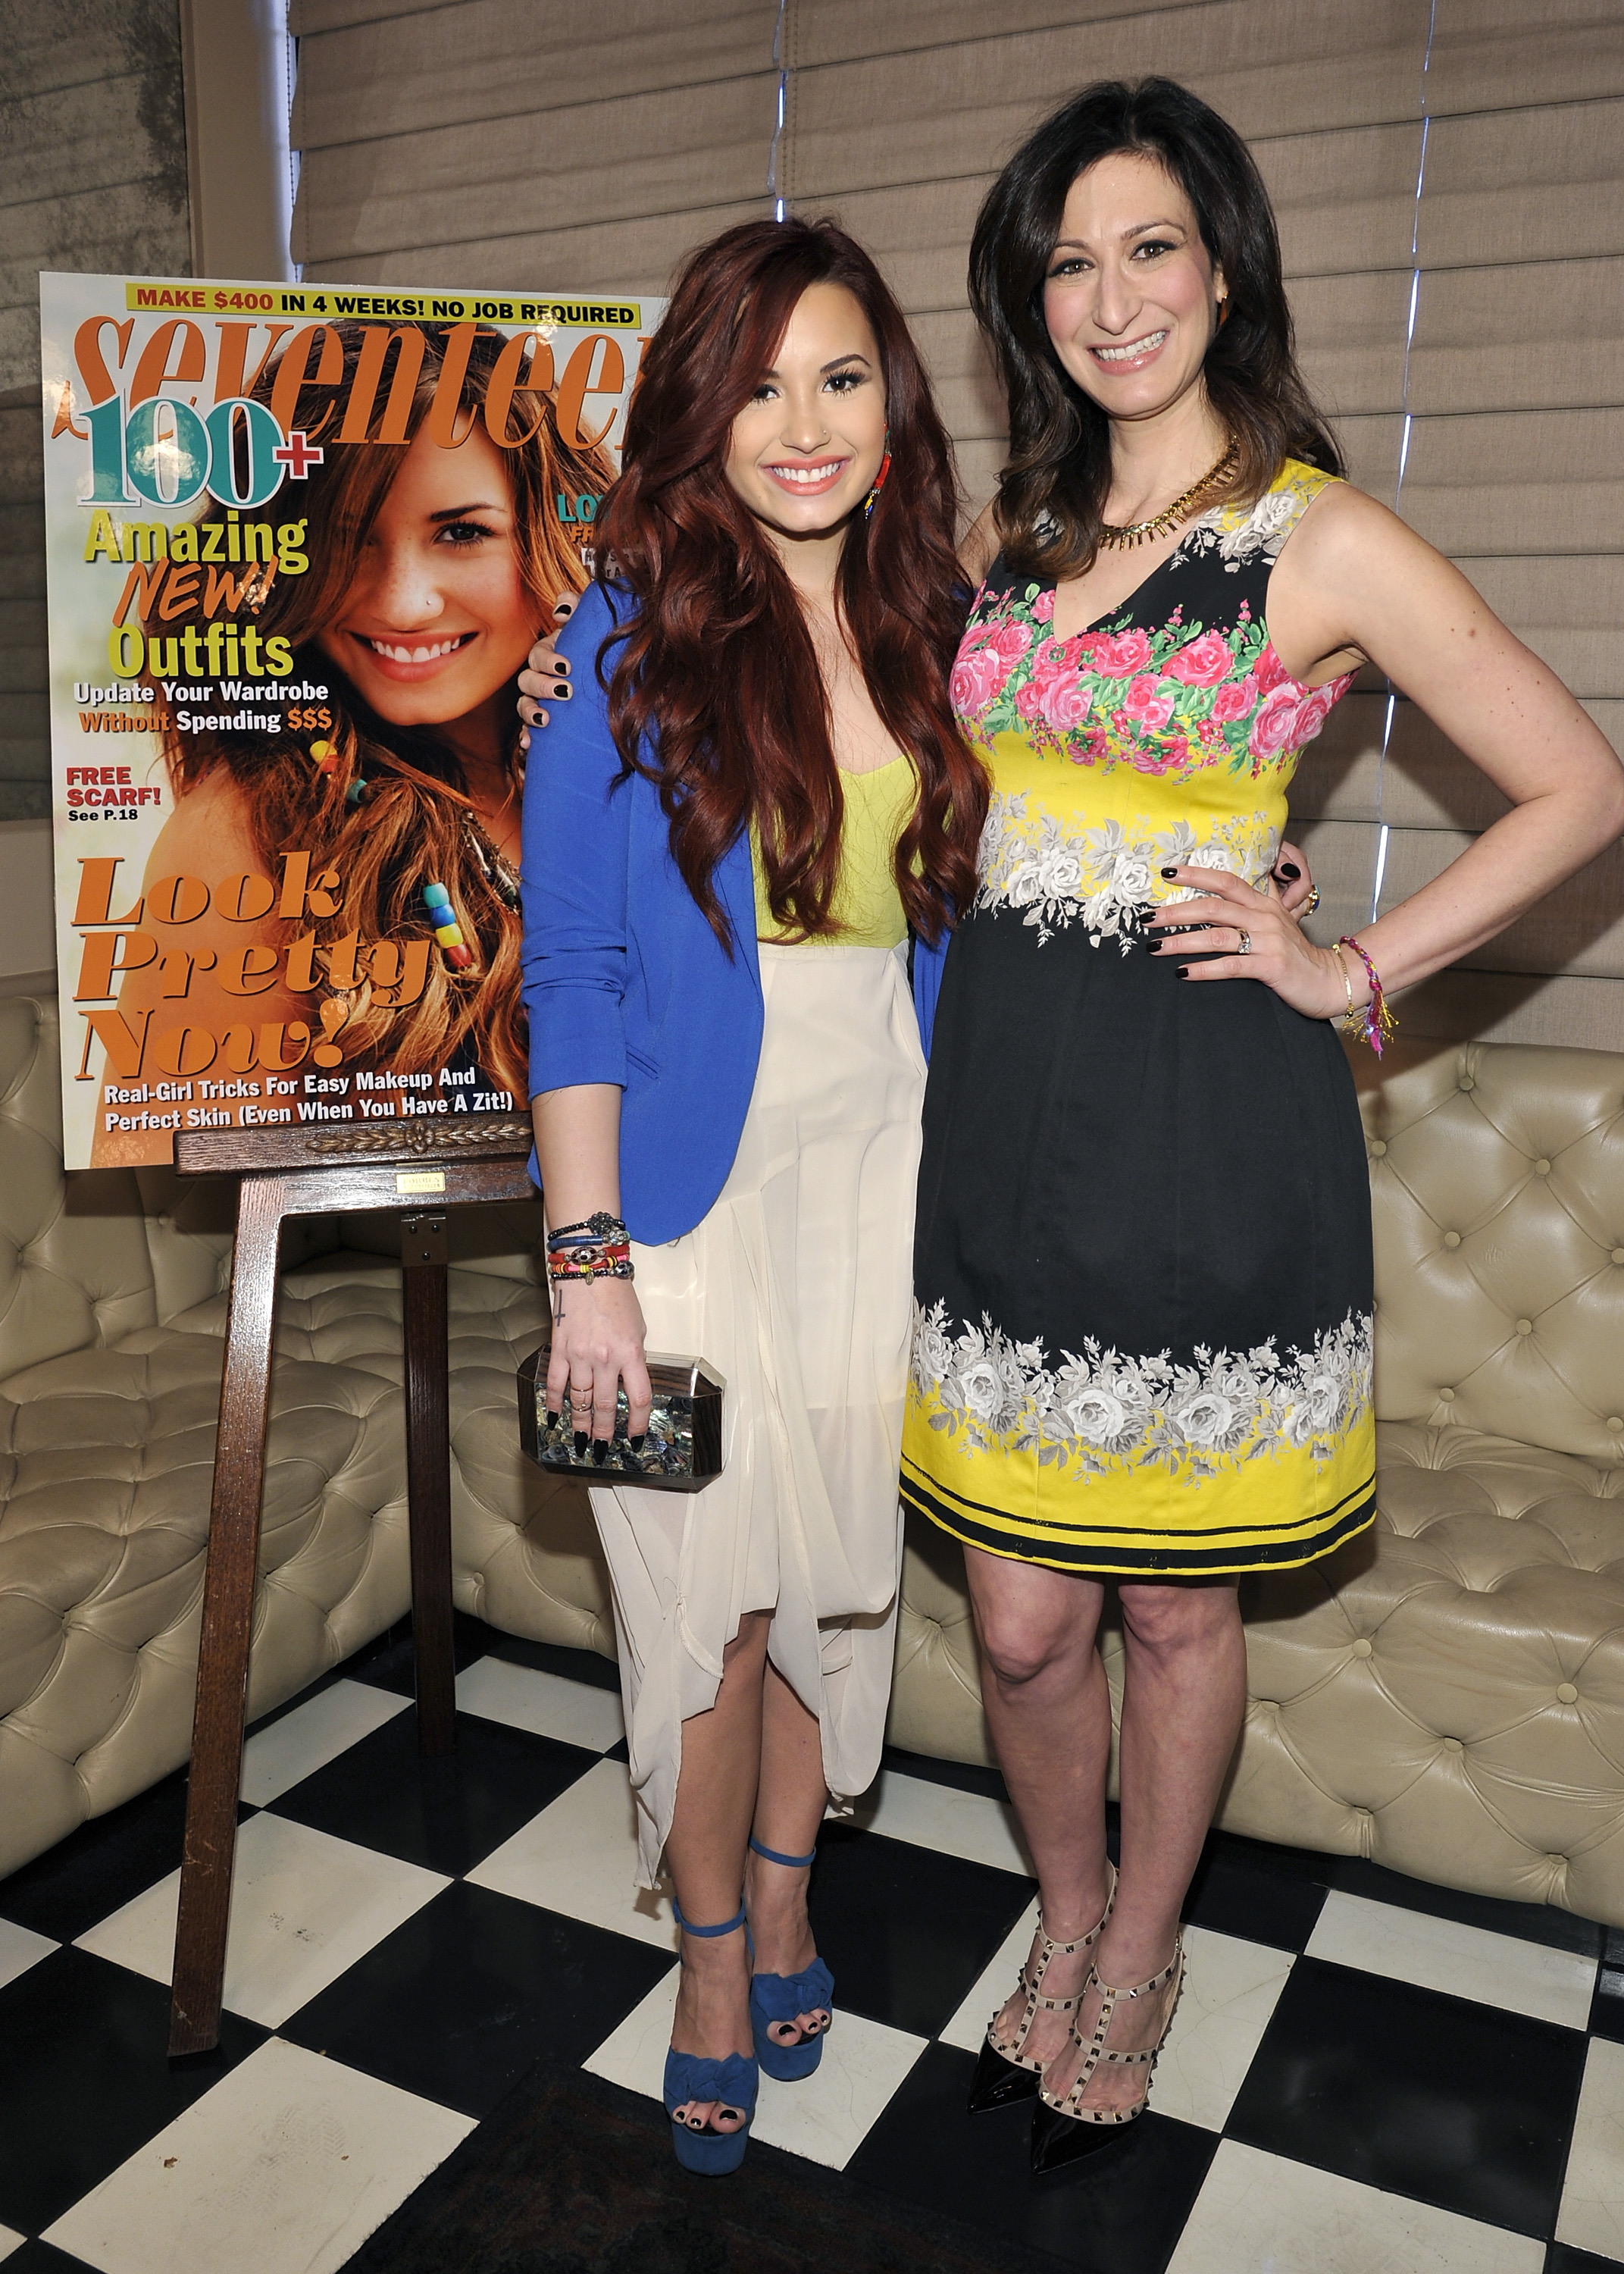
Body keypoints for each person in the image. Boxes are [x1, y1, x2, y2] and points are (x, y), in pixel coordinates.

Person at [901, 77, 1624, 2174]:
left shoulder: (1322, 537)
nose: (1110, 297)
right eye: (1067, 262)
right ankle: (1061, 1916)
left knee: (1169, 1606)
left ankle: (1136, 1957)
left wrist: (1348, 963)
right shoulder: (1005, 540)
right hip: (1002, 1120)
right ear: (1028, 300)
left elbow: (1580, 791)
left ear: (1223, 270)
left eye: (1149, 247)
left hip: (1202, 1123)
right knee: (1019, 1616)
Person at [520, 218, 993, 2174]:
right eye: (760, 384)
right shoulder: (617, 647)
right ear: (699, 416)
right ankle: (710, 1951)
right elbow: (572, 973)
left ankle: (790, 1898)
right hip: (674, 1200)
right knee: (697, 1612)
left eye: (842, 377)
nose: (804, 424)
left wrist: (1262, 881)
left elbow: (1054, 866)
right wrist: (587, 1267)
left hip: (883, 1167)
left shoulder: (948, 628)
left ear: (895, 405)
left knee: (832, 1582)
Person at [91, 324, 612, 1164]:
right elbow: (169, 1191)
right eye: (344, 537)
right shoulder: (247, 834)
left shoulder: (644, 775)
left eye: (460, 532)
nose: (403, 604)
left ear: (557, 534)